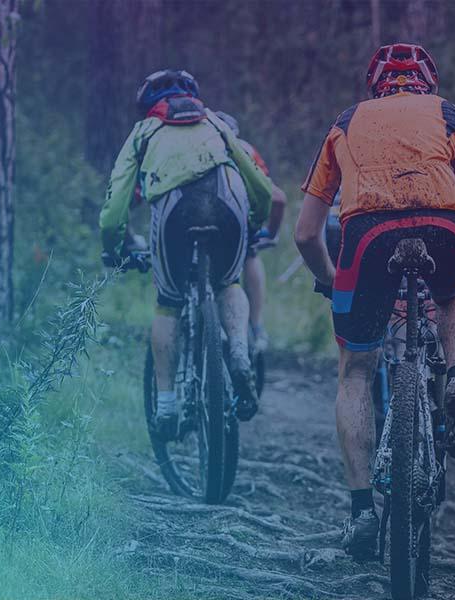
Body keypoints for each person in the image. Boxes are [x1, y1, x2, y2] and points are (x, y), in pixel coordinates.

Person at [294, 43, 455, 559]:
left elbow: (307, 233)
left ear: (375, 84)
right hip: (443, 229)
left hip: (366, 237)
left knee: (355, 369)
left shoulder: (345, 123)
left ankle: (361, 513)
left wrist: (331, 281)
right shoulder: (450, 115)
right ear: (427, 82)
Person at [99, 69, 273, 438]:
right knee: (228, 282)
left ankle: (166, 406)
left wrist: (112, 248)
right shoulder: (215, 122)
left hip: (175, 208)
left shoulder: (144, 131)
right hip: (229, 201)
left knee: (169, 301)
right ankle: (239, 351)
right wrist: (255, 219)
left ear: (148, 105)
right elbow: (258, 182)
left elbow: (116, 205)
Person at [214, 111, 287, 351]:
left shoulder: (193, 148)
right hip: (238, 224)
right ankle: (256, 325)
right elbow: (276, 198)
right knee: (250, 253)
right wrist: (270, 233)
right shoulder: (244, 149)